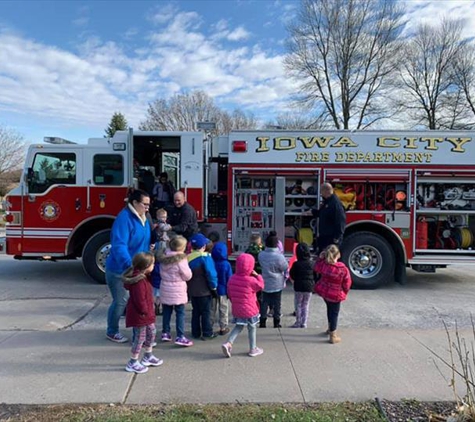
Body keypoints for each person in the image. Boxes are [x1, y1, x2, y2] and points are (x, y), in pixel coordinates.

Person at [105, 189, 153, 343]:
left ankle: (139, 335)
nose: (147, 208)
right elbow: (119, 246)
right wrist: (131, 267)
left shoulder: (144, 217)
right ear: (134, 203)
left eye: (148, 205)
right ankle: (112, 331)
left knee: (137, 302)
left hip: (139, 269)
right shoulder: (124, 219)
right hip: (121, 270)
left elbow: (144, 242)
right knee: (120, 301)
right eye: (144, 204)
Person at [122, 252, 163, 374]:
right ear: (146, 266)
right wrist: (145, 311)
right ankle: (133, 361)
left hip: (146, 314)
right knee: (140, 338)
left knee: (152, 333)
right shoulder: (139, 282)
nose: (154, 266)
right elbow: (140, 300)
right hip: (141, 315)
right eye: (153, 264)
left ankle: (148, 355)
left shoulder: (144, 278)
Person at [221, 253, 265, 358]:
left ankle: (228, 343)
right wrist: (257, 275)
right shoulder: (251, 280)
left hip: (237, 308)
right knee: (252, 327)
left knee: (239, 326)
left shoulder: (232, 279)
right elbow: (261, 286)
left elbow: (230, 293)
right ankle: (253, 348)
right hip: (250, 309)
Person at [157, 235, 194, 347]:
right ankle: (180, 335)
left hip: (165, 287)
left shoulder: (163, 258)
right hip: (178, 290)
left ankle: (165, 332)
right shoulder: (181, 259)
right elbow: (187, 275)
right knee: (180, 313)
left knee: (166, 312)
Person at [314, 244, 352, 344]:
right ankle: (333, 335)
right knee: (334, 313)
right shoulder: (342, 269)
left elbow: (316, 268)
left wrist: (320, 258)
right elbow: (347, 283)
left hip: (325, 294)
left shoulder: (324, 265)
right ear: (338, 255)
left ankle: (330, 328)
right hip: (336, 295)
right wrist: (344, 292)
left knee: (329, 310)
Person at [187, 233, 218, 340]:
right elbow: (211, 274)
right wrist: (214, 287)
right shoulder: (205, 258)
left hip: (192, 290)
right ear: (204, 246)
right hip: (205, 290)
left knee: (195, 311)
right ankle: (207, 332)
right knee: (206, 312)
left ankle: (195, 332)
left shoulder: (188, 258)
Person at [258, 234, 288, 328]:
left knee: (264, 302)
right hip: (277, 283)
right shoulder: (279, 257)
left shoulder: (261, 255)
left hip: (265, 282)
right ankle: (276, 322)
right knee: (277, 303)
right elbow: (285, 267)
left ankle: (262, 321)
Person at [311, 182, 346, 253]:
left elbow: (340, 222)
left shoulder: (335, 204)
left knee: (330, 258)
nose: (321, 194)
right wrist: (312, 212)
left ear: (325, 191)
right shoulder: (328, 202)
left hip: (331, 238)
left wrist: (336, 238)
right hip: (325, 237)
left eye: (321, 191)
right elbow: (322, 213)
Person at [289, 243, 315, 328]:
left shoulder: (296, 264)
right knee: (306, 304)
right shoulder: (312, 263)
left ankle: (298, 322)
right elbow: (316, 275)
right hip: (309, 287)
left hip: (299, 286)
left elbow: (292, 274)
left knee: (299, 304)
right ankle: (304, 323)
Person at [211, 241, 233, 335]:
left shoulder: (211, 262)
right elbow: (229, 278)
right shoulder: (226, 264)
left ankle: (209, 326)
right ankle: (223, 327)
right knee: (223, 309)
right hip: (223, 290)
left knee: (211, 309)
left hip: (212, 289)